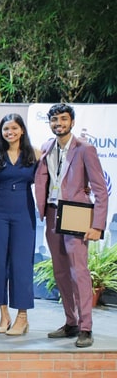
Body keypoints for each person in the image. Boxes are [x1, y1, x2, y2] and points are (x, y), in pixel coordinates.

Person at [34, 103, 108, 348]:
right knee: (61, 272)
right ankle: (71, 322)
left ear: (72, 122)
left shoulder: (85, 149)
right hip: (52, 212)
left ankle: (86, 327)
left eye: (64, 119)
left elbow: (100, 190)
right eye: (54, 120)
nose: (59, 124)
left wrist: (97, 225)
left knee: (79, 272)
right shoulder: (47, 147)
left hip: (75, 213)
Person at [0, 114, 40, 336]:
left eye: (14, 128)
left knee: (21, 264)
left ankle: (22, 317)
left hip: (24, 212)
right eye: (6, 129)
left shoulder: (35, 153)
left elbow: (48, 181)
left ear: (22, 130)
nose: (10, 132)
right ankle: (4, 315)